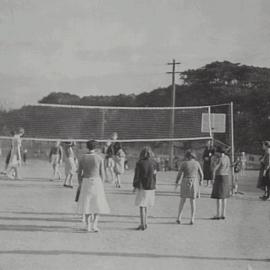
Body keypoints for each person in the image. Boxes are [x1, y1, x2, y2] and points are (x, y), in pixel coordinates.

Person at [77, 140, 110, 232]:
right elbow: (102, 173)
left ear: (87, 147)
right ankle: (95, 225)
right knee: (97, 203)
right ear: (95, 148)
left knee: (87, 203)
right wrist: (102, 184)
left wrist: (80, 183)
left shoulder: (82, 158)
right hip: (97, 181)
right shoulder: (99, 158)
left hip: (86, 181)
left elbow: (79, 173)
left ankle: (88, 225)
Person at [175, 150, 203, 225]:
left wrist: (177, 182)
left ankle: (179, 217)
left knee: (182, 200)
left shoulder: (184, 163)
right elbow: (201, 173)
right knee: (192, 201)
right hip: (194, 181)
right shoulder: (197, 163)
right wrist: (201, 181)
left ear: (188, 157)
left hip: (185, 181)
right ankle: (192, 218)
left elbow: (179, 174)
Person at [133, 146, 157, 231]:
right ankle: (145, 223)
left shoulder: (139, 163)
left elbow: (137, 176)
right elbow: (154, 175)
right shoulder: (154, 162)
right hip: (151, 186)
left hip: (143, 186)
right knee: (146, 205)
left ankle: (142, 224)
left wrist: (135, 186)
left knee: (142, 205)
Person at [211, 146, 231, 220]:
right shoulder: (227, 158)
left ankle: (218, 214)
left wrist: (212, 178)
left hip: (219, 177)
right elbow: (228, 167)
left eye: (217, 152)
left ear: (219, 152)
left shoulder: (219, 159)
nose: (216, 153)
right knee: (224, 197)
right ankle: (223, 214)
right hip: (226, 177)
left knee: (218, 197)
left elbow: (214, 169)